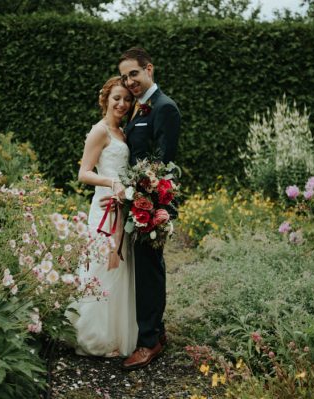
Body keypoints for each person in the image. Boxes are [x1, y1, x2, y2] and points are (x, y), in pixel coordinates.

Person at [118, 47, 181, 370]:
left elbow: (164, 163)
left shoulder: (164, 108)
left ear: (149, 70)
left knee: (148, 271)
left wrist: (154, 208)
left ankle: (149, 343)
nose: (129, 81)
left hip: (153, 203)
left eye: (134, 74)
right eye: (125, 76)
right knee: (142, 269)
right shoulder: (137, 108)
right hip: (134, 200)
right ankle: (155, 329)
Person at [69, 76, 138, 357]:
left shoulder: (122, 132)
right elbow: (84, 172)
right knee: (100, 267)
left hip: (123, 208)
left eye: (127, 99)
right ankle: (94, 336)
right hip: (105, 209)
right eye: (117, 98)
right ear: (106, 100)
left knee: (120, 267)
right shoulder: (100, 131)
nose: (122, 104)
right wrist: (112, 184)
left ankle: (116, 336)